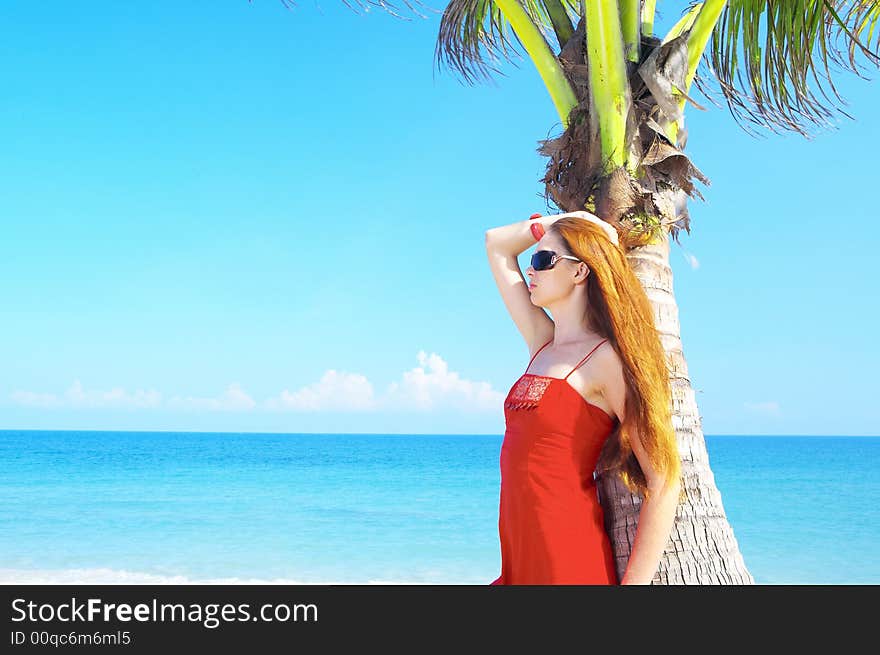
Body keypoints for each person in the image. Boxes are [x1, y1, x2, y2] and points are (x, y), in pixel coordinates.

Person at [484, 210, 683, 585]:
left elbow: (663, 480)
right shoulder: (542, 343)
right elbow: (496, 244)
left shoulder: (606, 360)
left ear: (580, 271)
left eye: (543, 260)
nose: (532, 270)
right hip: (519, 559)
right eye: (532, 261)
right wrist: (564, 221)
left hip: (567, 558)